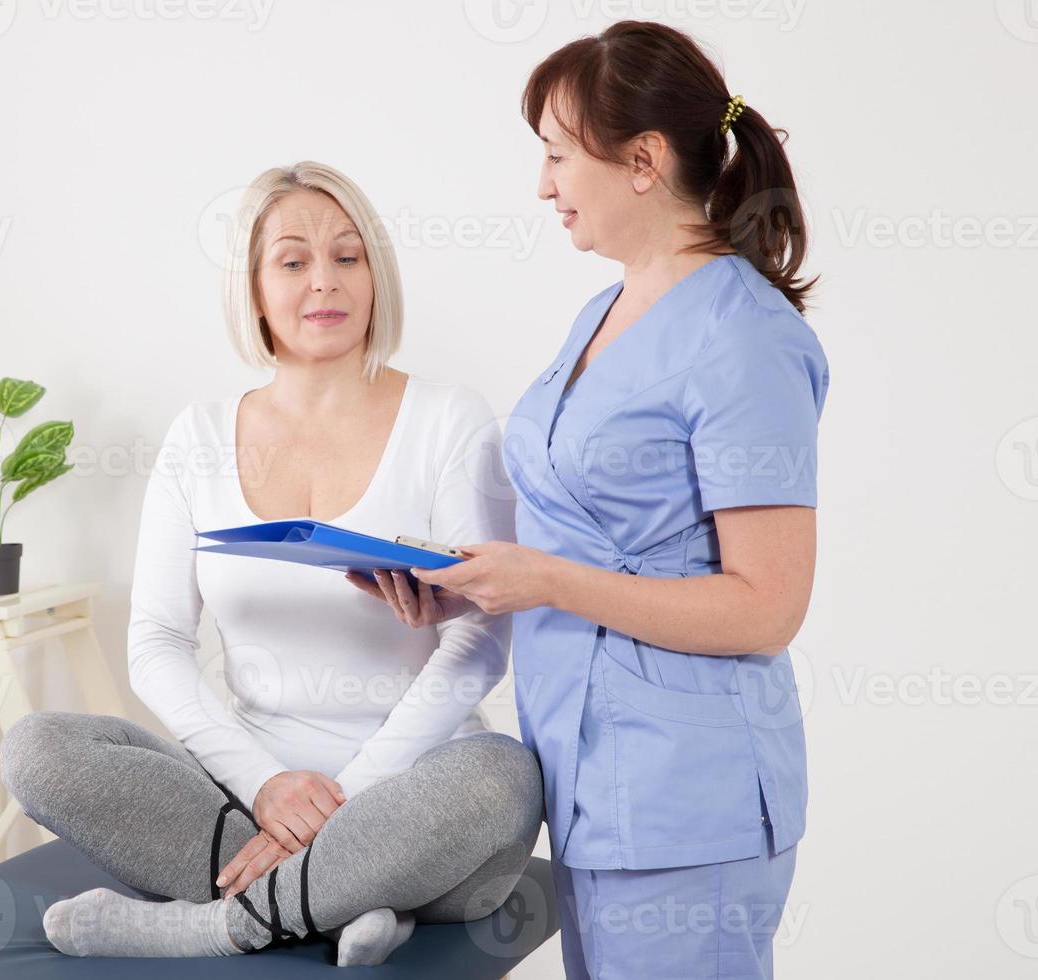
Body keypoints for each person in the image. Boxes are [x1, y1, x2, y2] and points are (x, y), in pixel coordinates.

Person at [353, 22, 828, 979]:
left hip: (686, 801)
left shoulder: (744, 340)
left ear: (643, 160)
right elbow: (590, 533)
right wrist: (467, 585)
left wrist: (549, 582)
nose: (543, 184)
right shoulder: (605, 312)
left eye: (559, 154)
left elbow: (768, 604)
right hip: (588, 782)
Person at [0, 161, 542, 963]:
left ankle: (223, 924)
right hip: (250, 799)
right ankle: (342, 903)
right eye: (293, 261)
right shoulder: (198, 437)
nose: (326, 281)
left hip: (417, 797)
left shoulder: (449, 420)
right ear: (253, 288)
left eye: (349, 257)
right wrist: (263, 785)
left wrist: (346, 804)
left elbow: (481, 638)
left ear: (375, 275)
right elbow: (154, 640)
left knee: (505, 777)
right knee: (36, 748)